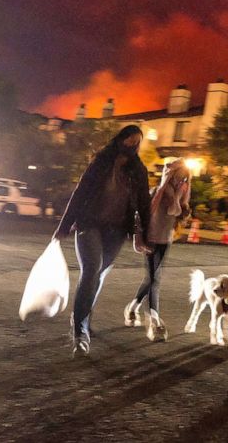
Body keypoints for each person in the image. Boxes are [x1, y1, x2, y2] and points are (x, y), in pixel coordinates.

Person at [54, 125, 152, 357]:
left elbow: (144, 204)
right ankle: (80, 332)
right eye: (128, 140)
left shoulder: (138, 170)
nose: (131, 146)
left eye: (136, 143)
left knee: (98, 275)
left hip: (116, 231)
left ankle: (82, 315)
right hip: (89, 224)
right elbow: (80, 192)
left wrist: (146, 235)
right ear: (119, 139)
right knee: (90, 270)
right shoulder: (100, 162)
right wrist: (64, 225)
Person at [124, 158, 191, 342]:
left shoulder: (180, 195)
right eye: (177, 178)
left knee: (151, 279)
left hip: (165, 240)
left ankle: (132, 308)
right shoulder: (158, 191)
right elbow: (148, 210)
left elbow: (180, 213)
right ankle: (155, 320)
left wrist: (182, 199)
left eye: (183, 179)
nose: (180, 182)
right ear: (169, 176)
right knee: (155, 279)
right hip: (151, 239)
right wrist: (164, 185)